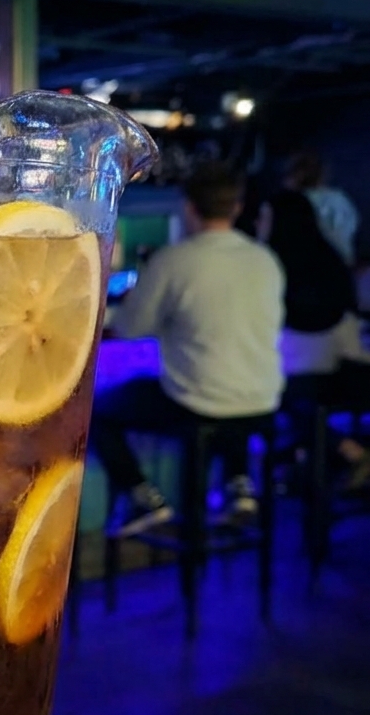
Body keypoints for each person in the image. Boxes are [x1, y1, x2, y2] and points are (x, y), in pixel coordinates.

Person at [91, 163, 285, 536]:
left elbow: (132, 327)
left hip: (199, 402)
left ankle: (141, 499)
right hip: (262, 398)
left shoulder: (175, 260)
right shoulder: (266, 260)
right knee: (225, 383)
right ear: (237, 208)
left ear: (189, 208)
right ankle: (240, 489)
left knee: (100, 410)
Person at [265, 187, 370, 488]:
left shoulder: (271, 263)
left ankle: (346, 453)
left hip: (302, 374)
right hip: (350, 372)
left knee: (267, 393)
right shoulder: (331, 257)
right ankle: (327, 459)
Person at [284, 151, 360, 267]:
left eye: (289, 174)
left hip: (314, 267)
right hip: (343, 265)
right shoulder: (341, 199)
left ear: (299, 174)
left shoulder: (296, 203)